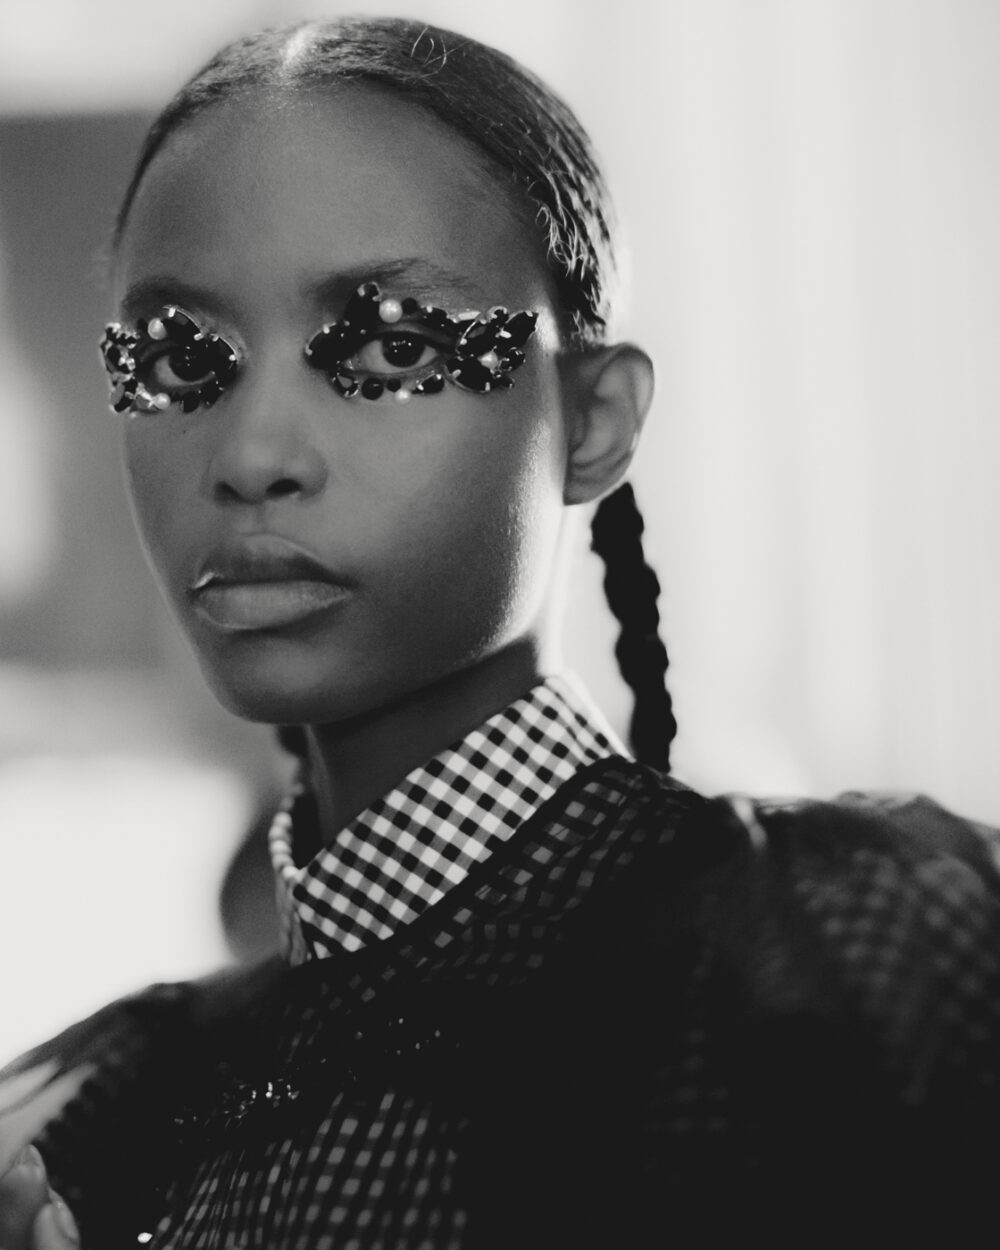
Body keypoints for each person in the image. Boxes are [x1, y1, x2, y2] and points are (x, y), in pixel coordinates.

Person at [2, 15, 999, 1249]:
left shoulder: (850, 952)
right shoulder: (112, 1113)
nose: (252, 454)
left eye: (391, 346)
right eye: (177, 358)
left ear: (593, 420)